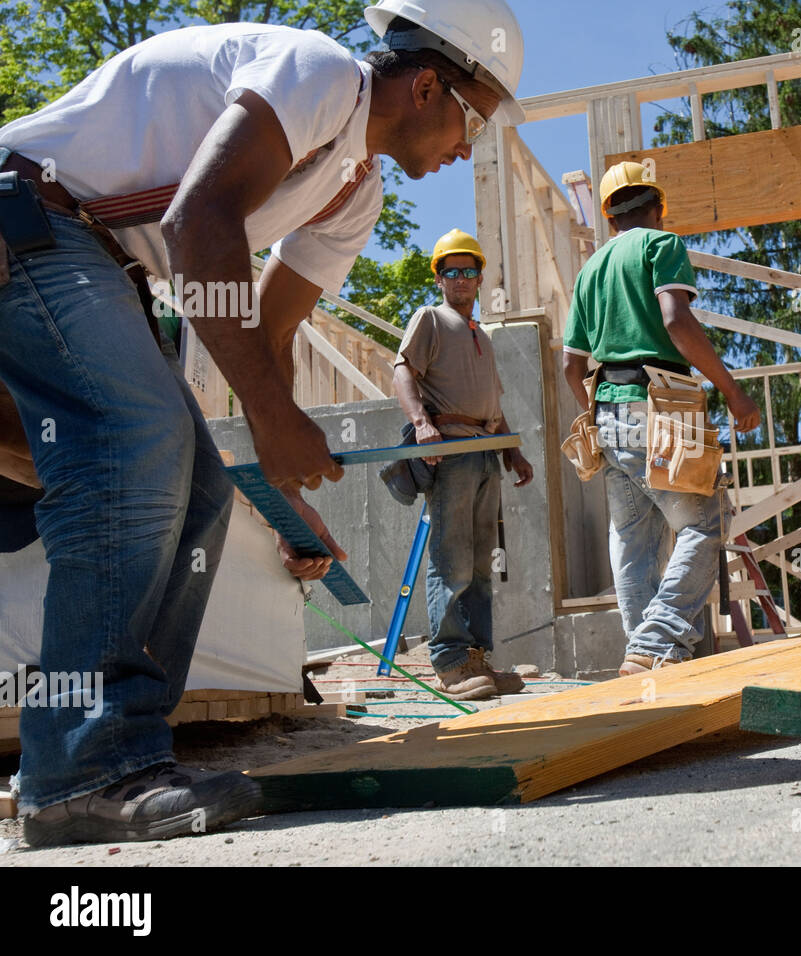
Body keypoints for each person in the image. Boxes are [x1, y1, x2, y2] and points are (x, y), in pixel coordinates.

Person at [0, 0, 526, 846]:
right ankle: (79, 769)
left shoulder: (355, 192)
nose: (467, 148)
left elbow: (269, 333)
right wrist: (273, 418)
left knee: (201, 495)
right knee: (134, 448)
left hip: (95, 259)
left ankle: (128, 755)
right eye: (474, 122)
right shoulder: (316, 73)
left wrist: (285, 489)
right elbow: (197, 222)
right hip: (30, 217)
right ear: (428, 85)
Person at [562, 162, 761, 676]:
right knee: (705, 522)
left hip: (606, 414)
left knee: (633, 539)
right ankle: (657, 640)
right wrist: (734, 392)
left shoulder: (589, 271)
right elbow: (676, 320)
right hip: (659, 407)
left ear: (609, 217)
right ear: (657, 208)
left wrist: (601, 411)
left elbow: (571, 364)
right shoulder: (660, 246)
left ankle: (643, 656)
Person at [392, 228, 533, 700]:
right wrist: (422, 423)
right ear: (439, 278)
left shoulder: (481, 335)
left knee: (478, 563)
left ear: (478, 278)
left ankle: (477, 660)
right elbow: (402, 372)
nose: (461, 278)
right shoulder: (430, 318)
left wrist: (512, 451)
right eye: (451, 271)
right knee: (450, 557)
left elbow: (493, 403)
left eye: (469, 271)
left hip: (485, 450)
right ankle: (450, 660)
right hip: (450, 450)